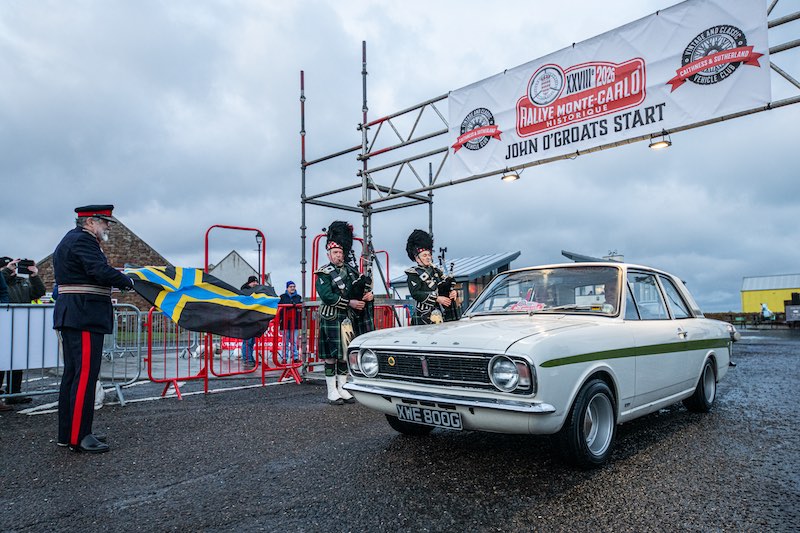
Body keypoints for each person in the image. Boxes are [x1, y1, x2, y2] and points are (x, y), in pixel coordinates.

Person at [54, 204, 135, 454]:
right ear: (90, 222)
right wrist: (128, 281)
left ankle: (68, 433)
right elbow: (98, 271)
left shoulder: (73, 240)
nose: (108, 226)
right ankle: (79, 435)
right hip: (84, 315)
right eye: (104, 221)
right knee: (84, 377)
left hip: (76, 314)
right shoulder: (83, 241)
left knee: (73, 376)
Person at [315, 221, 374, 405]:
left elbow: (357, 289)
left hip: (346, 319)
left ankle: (343, 388)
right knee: (332, 356)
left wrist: (367, 295)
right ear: (328, 254)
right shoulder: (324, 273)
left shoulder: (350, 271)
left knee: (344, 354)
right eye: (335, 253)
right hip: (331, 317)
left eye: (340, 252)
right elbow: (327, 296)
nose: (339, 255)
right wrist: (350, 302)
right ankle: (331, 390)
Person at [1, 257, 46, 405]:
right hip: (3, 327)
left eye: (14, 266)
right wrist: (6, 271)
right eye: (10, 267)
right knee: (1, 362)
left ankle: (14, 393)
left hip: (20, 327)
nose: (14, 269)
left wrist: (34, 276)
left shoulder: (22, 282)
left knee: (17, 361)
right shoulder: (2, 282)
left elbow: (39, 291)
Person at [404, 230, 458, 325]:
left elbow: (444, 286)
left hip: (440, 313)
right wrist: (437, 299)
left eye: (429, 255)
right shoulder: (413, 273)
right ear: (417, 258)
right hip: (423, 315)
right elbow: (415, 293)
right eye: (424, 255)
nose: (428, 257)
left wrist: (452, 292)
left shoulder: (436, 271)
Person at [278, 280, 302, 364]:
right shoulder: (282, 297)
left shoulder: (298, 297)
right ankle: (284, 358)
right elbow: (279, 309)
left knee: (294, 341)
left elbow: (300, 307)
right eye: (291, 287)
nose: (292, 288)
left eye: (294, 287)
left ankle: (295, 357)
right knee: (285, 341)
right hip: (285, 322)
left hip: (294, 322)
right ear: (287, 288)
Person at [240, 275, 259, 368]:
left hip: (253, 319)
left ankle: (250, 358)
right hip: (247, 319)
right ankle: (247, 359)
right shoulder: (244, 292)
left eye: (256, 282)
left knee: (251, 341)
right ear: (249, 283)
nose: (255, 283)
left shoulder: (255, 292)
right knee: (247, 341)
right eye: (254, 282)